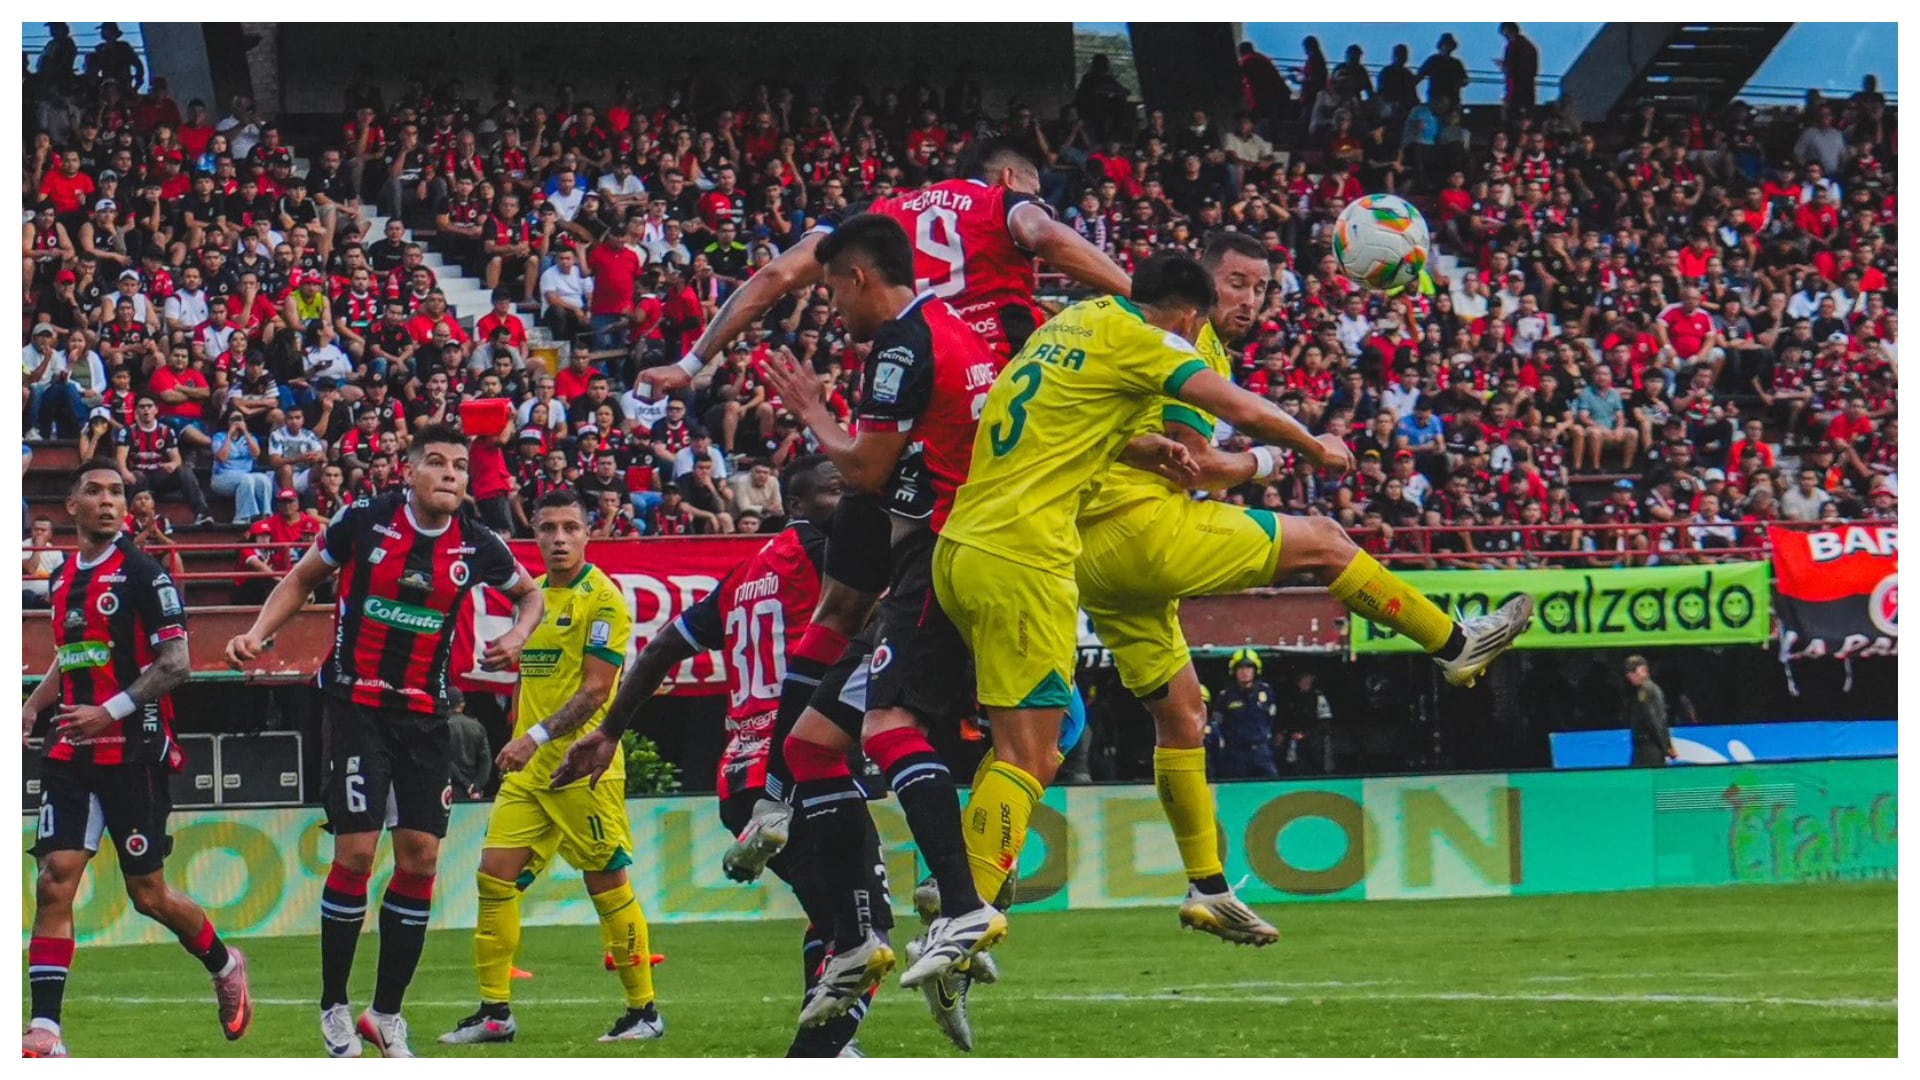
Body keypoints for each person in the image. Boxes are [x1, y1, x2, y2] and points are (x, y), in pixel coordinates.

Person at [931, 252, 1532, 987]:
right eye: (1235, 284)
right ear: (1198, 296)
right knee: (1323, 540)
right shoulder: (1180, 343)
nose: (1246, 299)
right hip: (1129, 533)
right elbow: (1196, 462)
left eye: (1261, 287)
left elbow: (1110, 431)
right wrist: (1293, 457)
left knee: (1181, 715)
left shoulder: (1081, 319)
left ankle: (1205, 887)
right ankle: (1456, 643)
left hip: (1071, 546)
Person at [756, 214, 1024, 1034]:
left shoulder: (903, 347)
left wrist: (812, 411)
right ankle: (857, 935)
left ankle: (965, 905)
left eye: (832, 289)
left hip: (943, 561)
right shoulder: (959, 326)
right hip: (956, 553)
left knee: (890, 721)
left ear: (862, 278)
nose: (833, 307)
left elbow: (866, 468)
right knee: (810, 745)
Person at [223, 424, 544, 1058]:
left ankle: (385, 1015)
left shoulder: (477, 544)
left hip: (427, 716)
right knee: (357, 856)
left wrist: (518, 635)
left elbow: (528, 595)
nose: (451, 474)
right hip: (356, 706)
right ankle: (334, 1007)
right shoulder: (365, 521)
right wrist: (260, 632)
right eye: (437, 463)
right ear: (411, 470)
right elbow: (301, 579)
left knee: (421, 858)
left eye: (459, 465)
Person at [553, 456, 888, 1058]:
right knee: (869, 934)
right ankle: (813, 1057)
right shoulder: (829, 551)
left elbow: (658, 649)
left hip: (742, 777)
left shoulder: (743, 575)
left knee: (832, 920)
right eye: (837, 490)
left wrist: (609, 733)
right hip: (804, 768)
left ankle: (834, 1048)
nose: (852, 500)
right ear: (796, 505)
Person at [22, 461, 253, 1058]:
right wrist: (32, 705)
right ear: (70, 506)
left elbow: (177, 664)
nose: (108, 501)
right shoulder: (62, 576)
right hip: (72, 749)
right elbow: (71, 656)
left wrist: (110, 710)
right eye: (94, 491)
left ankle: (225, 963)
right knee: (54, 882)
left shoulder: (147, 575)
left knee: (148, 895)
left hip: (134, 750)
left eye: (117, 492)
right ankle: (45, 1031)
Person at [439, 491, 660, 1046]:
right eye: (547, 528)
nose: (558, 538)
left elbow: (595, 691)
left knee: (607, 884)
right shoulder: (532, 600)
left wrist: (533, 739)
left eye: (570, 528)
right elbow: (534, 684)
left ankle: (644, 1011)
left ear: (590, 533)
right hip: (529, 773)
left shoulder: (603, 600)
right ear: (532, 535)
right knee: (493, 878)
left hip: (580, 768)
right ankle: (495, 1013)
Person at [1206, 650, 1279, 779]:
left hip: (1262, 752)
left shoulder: (1266, 692)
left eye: (1249, 667)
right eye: (1240, 667)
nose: (1245, 671)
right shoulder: (1226, 696)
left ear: (1256, 670)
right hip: (1236, 755)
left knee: (1272, 785)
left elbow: (1273, 720)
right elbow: (1217, 725)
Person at [1624, 656, 1676, 767]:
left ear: (1642, 670)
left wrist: (1666, 747)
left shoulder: (1647, 690)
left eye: (1632, 670)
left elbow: (1655, 721)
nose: (1629, 675)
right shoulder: (1643, 690)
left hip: (1649, 748)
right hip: (1645, 746)